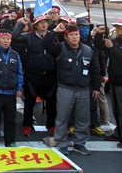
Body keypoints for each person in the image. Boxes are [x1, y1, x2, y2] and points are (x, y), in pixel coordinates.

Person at [42, 23, 101, 156]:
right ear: (66, 36)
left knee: (83, 118)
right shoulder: (60, 48)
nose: (75, 37)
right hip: (65, 88)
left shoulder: (88, 51)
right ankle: (62, 143)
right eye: (71, 35)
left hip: (83, 89)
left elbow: (95, 71)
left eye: (77, 34)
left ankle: (80, 143)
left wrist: (96, 88)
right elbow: (45, 44)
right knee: (63, 117)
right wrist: (54, 31)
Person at [12, 15, 57, 136]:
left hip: (50, 75)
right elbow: (14, 37)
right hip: (33, 75)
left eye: (46, 22)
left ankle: (51, 125)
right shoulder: (29, 37)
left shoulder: (53, 37)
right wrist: (21, 24)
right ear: (35, 25)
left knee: (51, 102)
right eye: (40, 22)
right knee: (29, 101)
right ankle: (27, 125)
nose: (44, 25)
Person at [94, 20, 122, 148]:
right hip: (115, 80)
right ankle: (118, 132)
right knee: (116, 110)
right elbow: (99, 46)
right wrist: (99, 35)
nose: (117, 31)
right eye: (116, 28)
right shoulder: (116, 41)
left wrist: (112, 47)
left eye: (120, 28)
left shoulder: (115, 44)